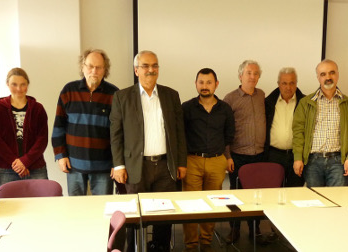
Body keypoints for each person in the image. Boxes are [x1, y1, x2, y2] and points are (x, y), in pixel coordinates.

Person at [110, 50, 187, 252]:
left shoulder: (171, 95)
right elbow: (115, 134)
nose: (150, 70)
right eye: (145, 66)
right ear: (136, 70)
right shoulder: (122, 97)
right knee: (133, 216)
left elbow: (179, 132)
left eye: (154, 65)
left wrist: (181, 162)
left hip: (165, 166)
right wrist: (118, 165)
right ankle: (132, 249)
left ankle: (160, 248)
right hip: (136, 167)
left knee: (164, 216)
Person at [52, 49, 119, 196]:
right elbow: (58, 126)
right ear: (83, 67)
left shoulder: (115, 94)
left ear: (104, 70)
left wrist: (117, 164)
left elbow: (119, 134)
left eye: (99, 67)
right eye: (90, 66)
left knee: (102, 210)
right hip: (74, 164)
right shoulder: (68, 91)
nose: (94, 70)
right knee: (76, 211)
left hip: (104, 166)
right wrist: (60, 155)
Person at [181, 68, 235, 252]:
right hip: (192, 161)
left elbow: (229, 136)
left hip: (216, 161)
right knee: (191, 205)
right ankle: (190, 244)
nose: (205, 86)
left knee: (212, 204)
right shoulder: (186, 108)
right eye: (201, 82)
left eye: (209, 82)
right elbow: (180, 136)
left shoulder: (225, 109)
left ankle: (206, 242)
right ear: (196, 84)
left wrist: (227, 158)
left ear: (216, 84)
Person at [292, 59, 348, 187]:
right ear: (318, 77)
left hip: (338, 162)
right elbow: (298, 132)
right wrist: (298, 158)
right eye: (323, 74)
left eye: (331, 73)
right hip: (312, 161)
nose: (328, 77)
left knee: (337, 201)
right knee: (315, 201)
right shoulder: (306, 102)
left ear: (337, 75)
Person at [223, 60, 266, 243]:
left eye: (256, 73)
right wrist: (228, 156)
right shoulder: (230, 98)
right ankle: (234, 230)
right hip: (238, 156)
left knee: (256, 197)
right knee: (236, 195)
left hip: (259, 155)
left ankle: (255, 230)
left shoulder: (261, 95)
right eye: (248, 73)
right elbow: (224, 129)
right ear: (240, 75)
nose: (252, 76)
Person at [0, 68, 48, 189]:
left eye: (23, 85)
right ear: (7, 84)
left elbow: (42, 140)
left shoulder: (38, 109)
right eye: (14, 84)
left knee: (41, 205)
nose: (19, 89)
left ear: (28, 84)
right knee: (6, 206)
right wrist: (16, 163)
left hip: (35, 168)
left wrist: (25, 161)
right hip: (6, 169)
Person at [265, 67, 305, 187]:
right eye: (284, 83)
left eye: (292, 83)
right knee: (272, 191)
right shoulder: (268, 102)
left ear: (296, 83)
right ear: (278, 84)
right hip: (274, 155)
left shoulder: (305, 102)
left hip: (296, 156)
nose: (288, 87)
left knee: (295, 192)